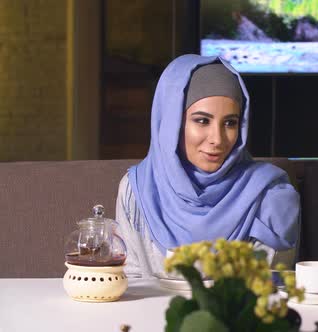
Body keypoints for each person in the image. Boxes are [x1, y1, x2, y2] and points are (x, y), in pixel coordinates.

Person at [115, 55, 300, 278]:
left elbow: (267, 287)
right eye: (202, 121)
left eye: (230, 123)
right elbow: (129, 280)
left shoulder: (272, 196)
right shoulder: (136, 190)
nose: (218, 139)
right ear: (171, 122)